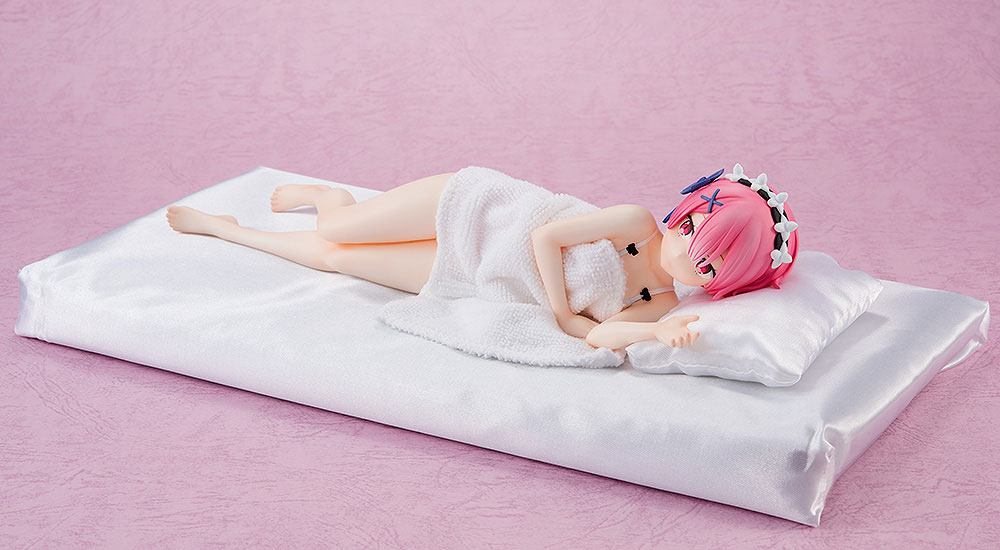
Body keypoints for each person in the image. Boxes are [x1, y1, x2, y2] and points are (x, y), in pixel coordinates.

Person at [165, 163, 798, 357]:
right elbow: (547, 238)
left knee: (336, 259)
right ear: (691, 212)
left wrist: (656, 333)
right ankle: (326, 197)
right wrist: (562, 313)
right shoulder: (635, 222)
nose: (693, 257)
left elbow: (602, 335)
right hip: (481, 212)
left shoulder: (657, 304)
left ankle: (229, 232)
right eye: (702, 235)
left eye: (713, 268)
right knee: (339, 227)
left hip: (474, 276)